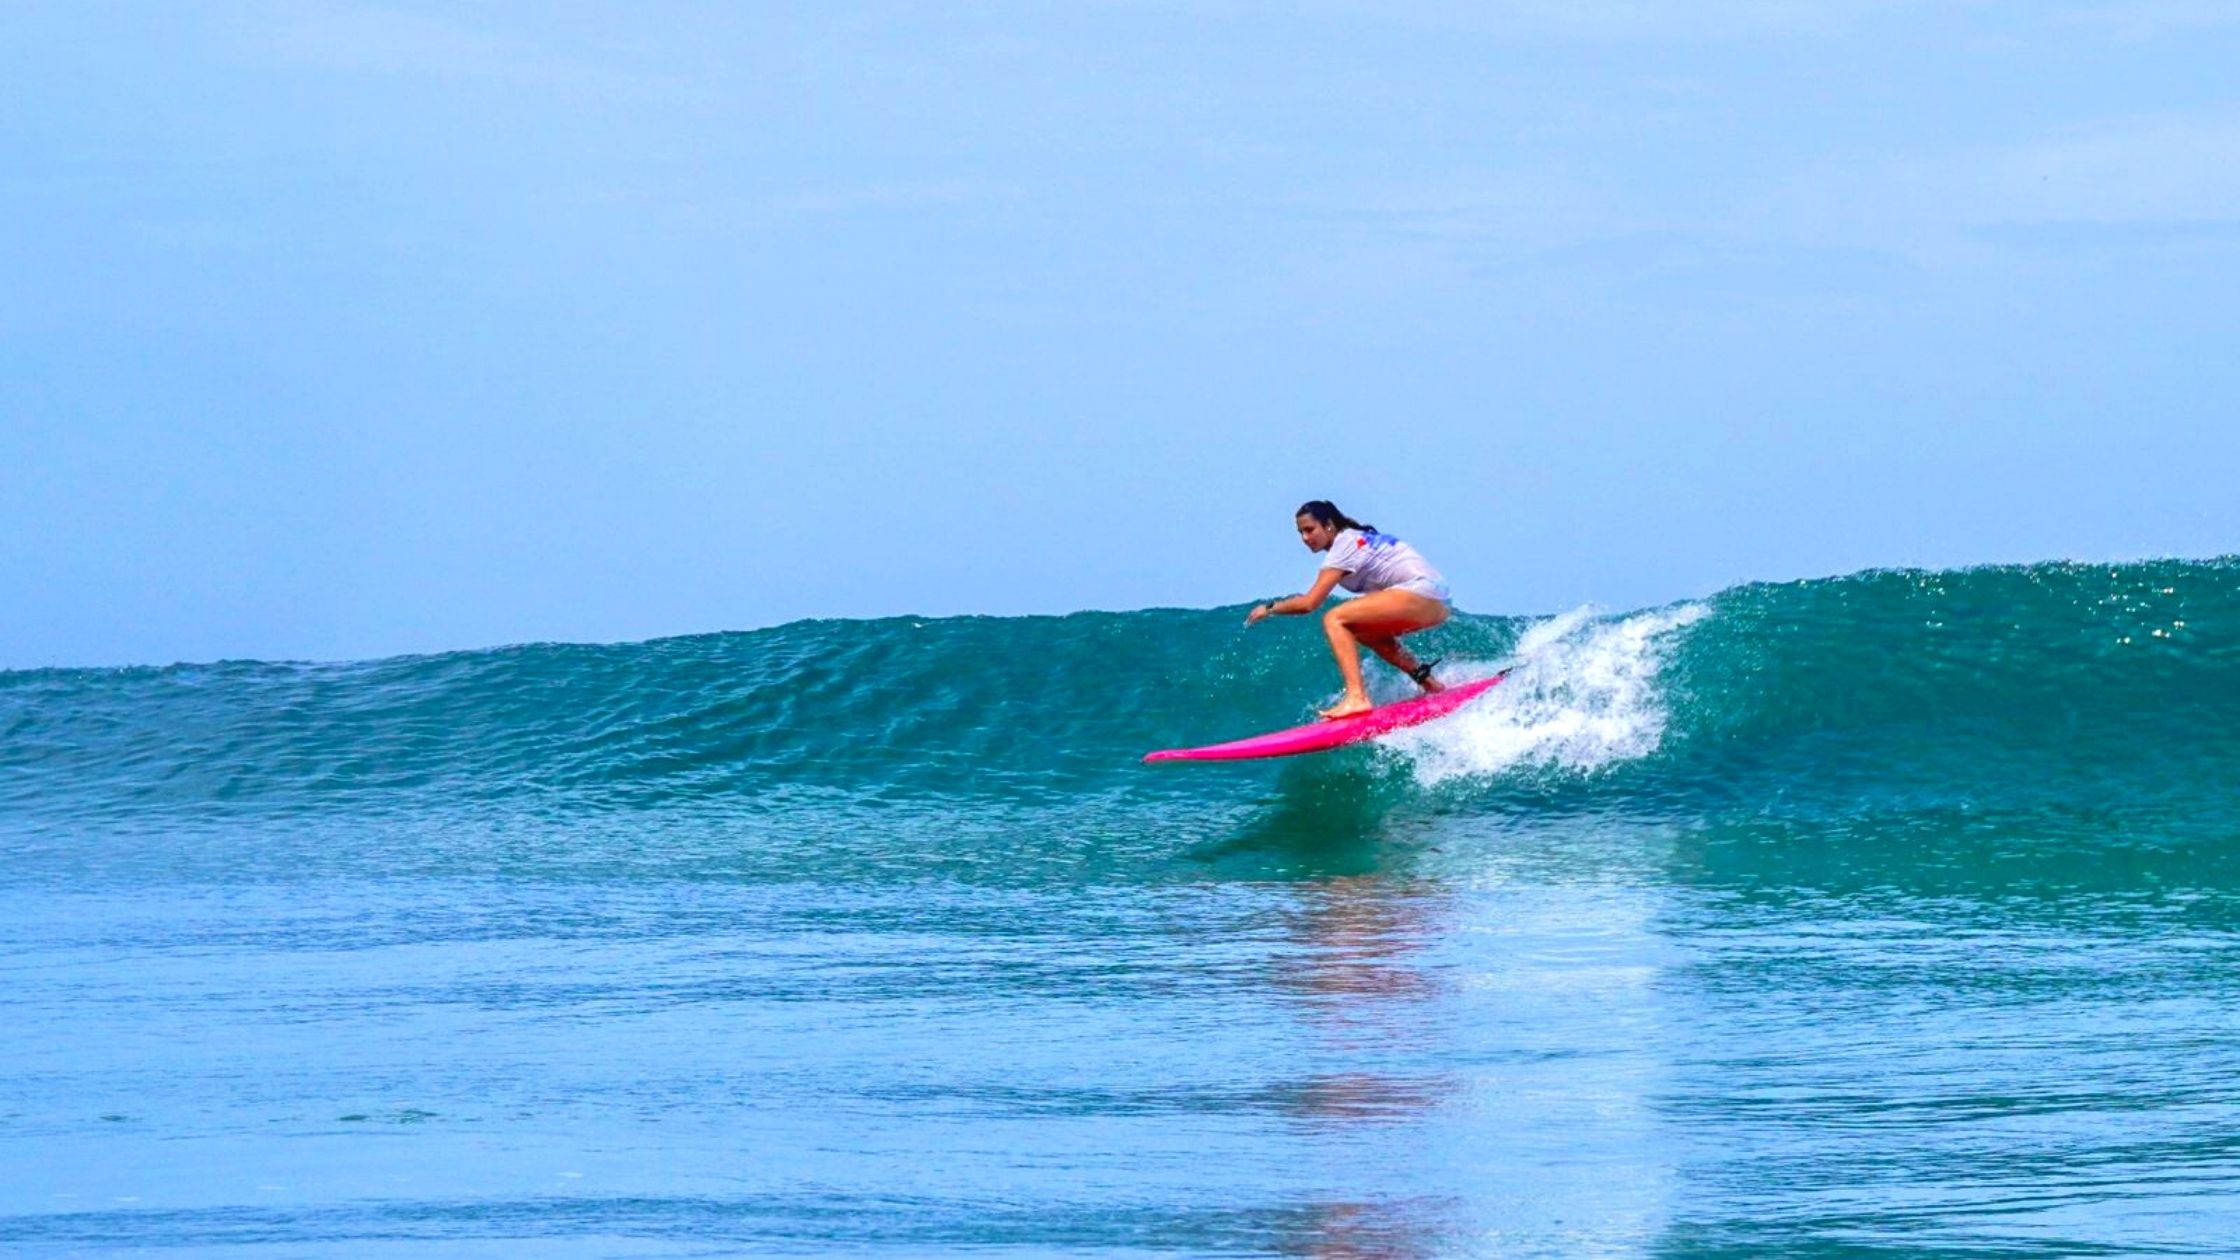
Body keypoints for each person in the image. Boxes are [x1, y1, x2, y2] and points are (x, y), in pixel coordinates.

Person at [1245, 500, 1452, 719]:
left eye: (1309, 530)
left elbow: (1309, 603)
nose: (1305, 538)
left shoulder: (1344, 544)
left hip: (1423, 592)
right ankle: (1430, 683)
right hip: (1436, 599)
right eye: (1300, 532)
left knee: (1334, 618)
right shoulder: (1352, 540)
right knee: (1364, 631)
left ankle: (1356, 698)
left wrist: (1269, 608)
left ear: (1329, 526)